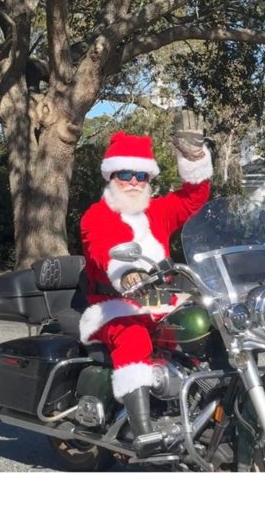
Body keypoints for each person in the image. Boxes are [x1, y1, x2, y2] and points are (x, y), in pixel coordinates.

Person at [78, 110, 212, 447]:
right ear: (111, 176)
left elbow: (193, 200)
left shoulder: (159, 211)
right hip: (113, 304)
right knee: (134, 337)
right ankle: (142, 428)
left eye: (141, 174)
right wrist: (127, 273)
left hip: (162, 300)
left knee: (209, 328)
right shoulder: (97, 215)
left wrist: (193, 156)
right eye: (126, 174)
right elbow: (102, 248)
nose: (135, 181)